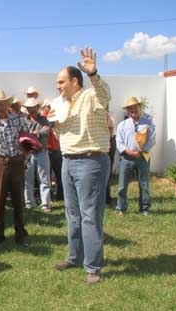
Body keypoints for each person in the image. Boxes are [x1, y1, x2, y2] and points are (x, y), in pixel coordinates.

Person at [53, 47, 111, 285]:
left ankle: (93, 267)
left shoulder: (90, 95)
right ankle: (74, 257)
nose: (58, 86)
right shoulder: (60, 103)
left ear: (75, 81)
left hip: (91, 161)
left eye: (61, 81)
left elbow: (105, 95)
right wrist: (50, 123)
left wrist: (94, 73)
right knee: (73, 213)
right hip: (68, 160)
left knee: (90, 215)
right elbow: (61, 132)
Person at [0, 90, 29, 247]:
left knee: (18, 199)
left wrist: (24, 158)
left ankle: (20, 233)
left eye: (4, 103)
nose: (2, 106)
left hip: (16, 162)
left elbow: (27, 141)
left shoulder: (19, 120)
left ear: (8, 104)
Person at [115, 97, 156, 215]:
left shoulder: (148, 123)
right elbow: (119, 142)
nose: (132, 110)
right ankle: (121, 208)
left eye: (134, 107)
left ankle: (144, 208)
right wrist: (128, 152)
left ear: (139, 107)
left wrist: (141, 152)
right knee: (122, 186)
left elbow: (152, 140)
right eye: (130, 108)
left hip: (142, 158)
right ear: (127, 111)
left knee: (144, 184)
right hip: (126, 158)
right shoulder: (122, 125)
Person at [23, 97, 52, 212]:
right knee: (27, 180)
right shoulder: (25, 120)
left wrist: (34, 133)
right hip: (28, 152)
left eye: (33, 108)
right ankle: (29, 203)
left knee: (44, 179)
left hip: (41, 152)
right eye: (29, 108)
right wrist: (38, 133)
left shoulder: (44, 119)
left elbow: (47, 131)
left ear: (37, 107)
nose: (31, 110)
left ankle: (45, 204)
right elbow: (22, 133)